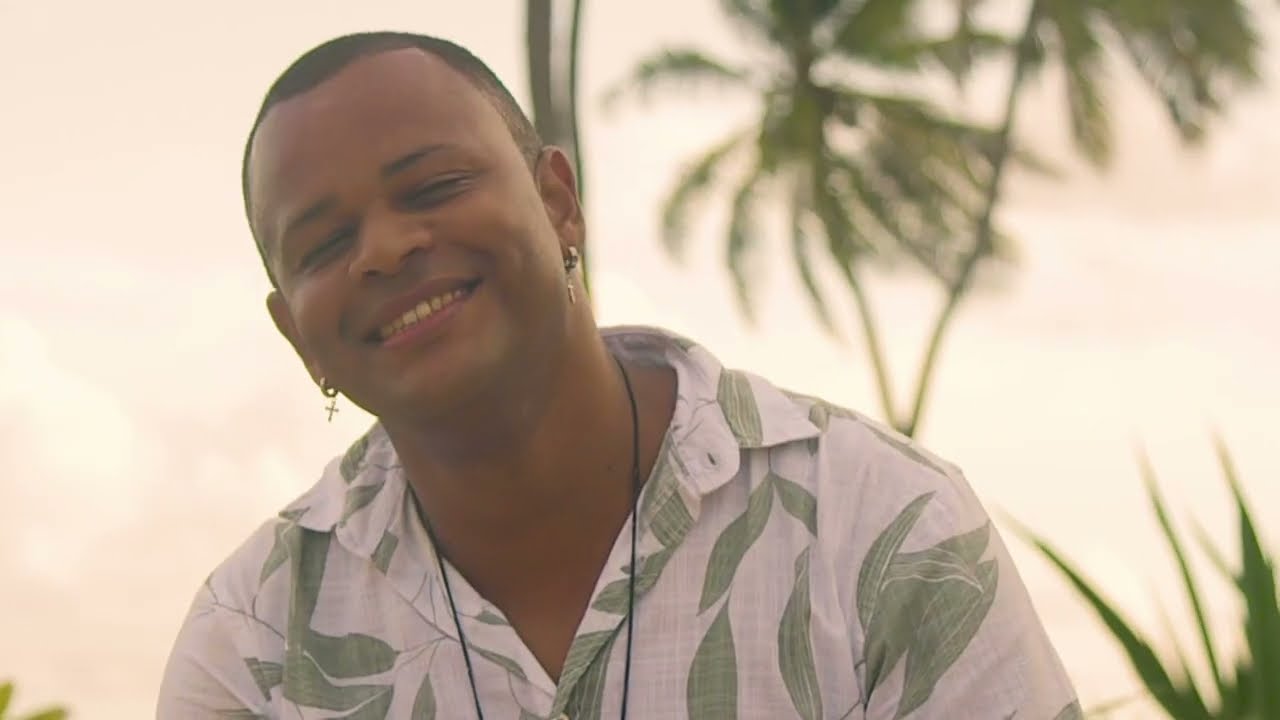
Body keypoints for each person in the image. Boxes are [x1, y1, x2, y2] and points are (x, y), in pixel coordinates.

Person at [158, 31, 1080, 720]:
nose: (387, 248)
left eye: (433, 187)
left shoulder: (878, 530)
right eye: (325, 244)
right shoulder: (255, 645)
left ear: (557, 201)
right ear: (298, 335)